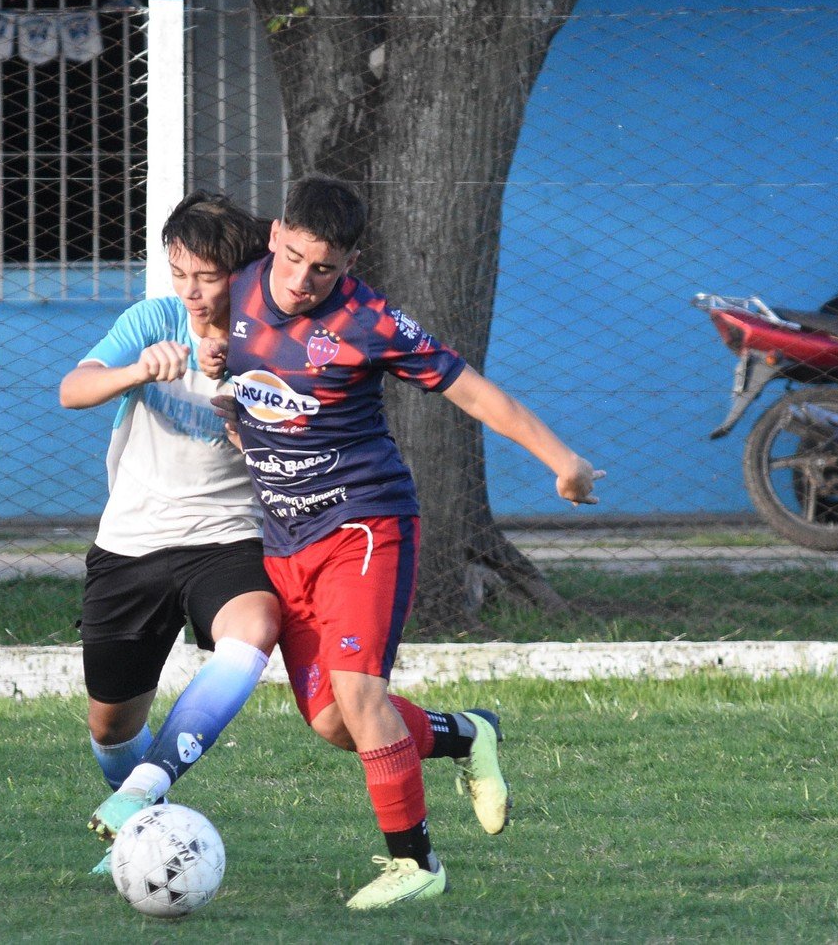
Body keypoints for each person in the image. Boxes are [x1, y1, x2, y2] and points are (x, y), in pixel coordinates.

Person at [218, 174, 601, 910]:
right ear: (274, 236)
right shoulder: (230, 292)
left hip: (365, 523)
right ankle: (466, 735)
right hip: (283, 541)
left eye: (323, 268)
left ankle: (416, 863)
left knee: (362, 697)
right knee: (335, 722)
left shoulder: (371, 323)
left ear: (350, 264)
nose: (302, 281)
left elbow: (476, 393)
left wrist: (563, 461)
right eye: (293, 258)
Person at [57, 192, 280, 874]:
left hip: (227, 538)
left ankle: (142, 793)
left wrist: (247, 414)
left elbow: (303, 443)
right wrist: (135, 370)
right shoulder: (152, 319)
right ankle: (140, 824)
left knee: (255, 628)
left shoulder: (272, 340)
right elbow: (73, 388)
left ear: (241, 272)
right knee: (110, 728)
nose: (190, 290)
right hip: (132, 544)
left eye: (205, 276)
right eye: (178, 271)